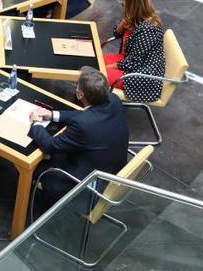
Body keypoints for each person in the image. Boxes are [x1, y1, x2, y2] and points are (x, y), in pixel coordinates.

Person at [28, 66, 129, 207]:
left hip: (82, 185)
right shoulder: (113, 100)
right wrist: (52, 115)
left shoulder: (82, 125)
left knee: (33, 168)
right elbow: (87, 115)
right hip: (110, 170)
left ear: (80, 94)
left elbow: (49, 145)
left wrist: (36, 123)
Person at [104, 0, 166, 102]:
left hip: (140, 74)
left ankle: (94, 106)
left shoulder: (149, 30)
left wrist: (109, 67)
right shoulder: (135, 19)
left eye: (124, 5)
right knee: (93, 62)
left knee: (96, 74)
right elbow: (117, 34)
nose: (122, 7)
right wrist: (123, 23)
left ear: (133, 9)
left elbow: (134, 62)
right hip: (129, 60)